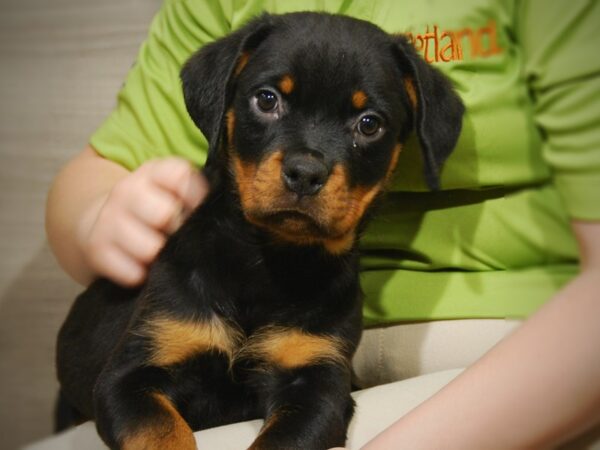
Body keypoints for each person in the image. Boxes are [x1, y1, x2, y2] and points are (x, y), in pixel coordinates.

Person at [45, 0, 600, 448]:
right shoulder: (183, 278)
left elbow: (315, 411)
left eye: (367, 123)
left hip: (499, 350)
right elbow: (122, 388)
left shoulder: (329, 313)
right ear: (224, 108)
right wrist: (97, 215)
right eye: (269, 101)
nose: (308, 163)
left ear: (414, 141)